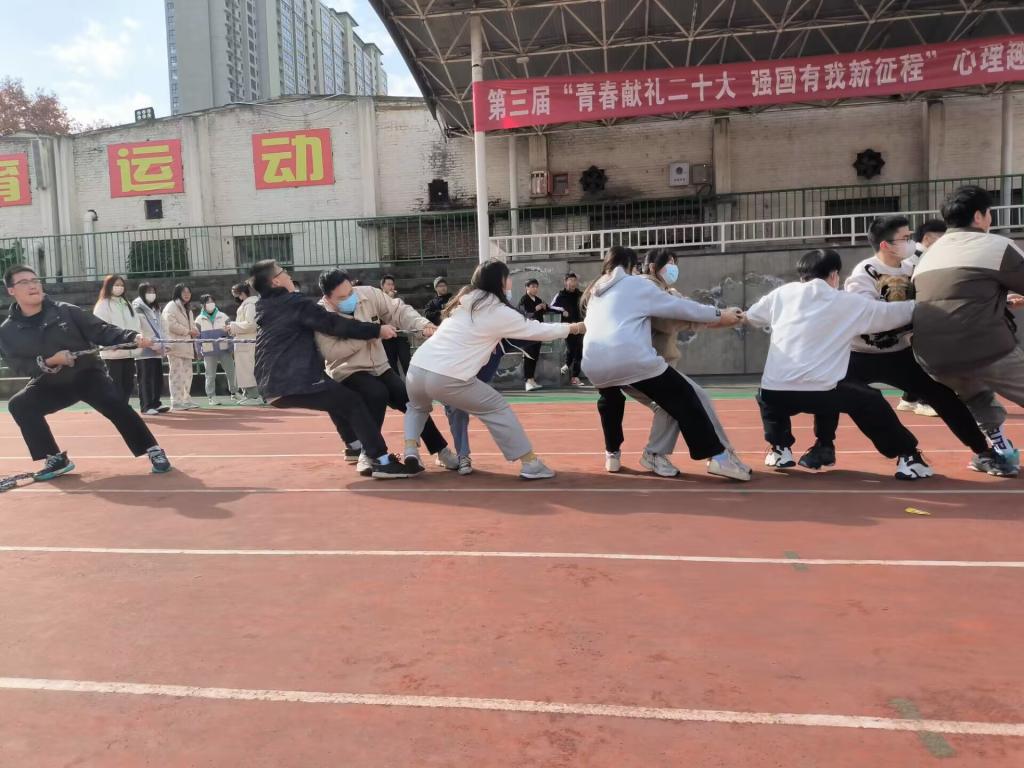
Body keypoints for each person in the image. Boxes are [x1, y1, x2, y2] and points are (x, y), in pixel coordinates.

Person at [807, 215, 1014, 477]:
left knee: (942, 395)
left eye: (909, 236)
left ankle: (983, 452)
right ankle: (824, 445)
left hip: (900, 353)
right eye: (904, 238)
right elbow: (870, 317)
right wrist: (918, 311)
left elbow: (944, 295)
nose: (910, 242)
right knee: (830, 386)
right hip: (859, 354)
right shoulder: (864, 273)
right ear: (886, 245)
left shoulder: (916, 265)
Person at [745, 249, 932, 480]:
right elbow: (891, 314)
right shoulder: (846, 302)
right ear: (834, 275)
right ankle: (909, 457)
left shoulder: (782, 294)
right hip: (823, 394)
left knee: (767, 394)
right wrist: (926, 305)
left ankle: (779, 449)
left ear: (802, 274)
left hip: (776, 395)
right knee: (870, 401)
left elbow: (752, 316)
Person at [403, 259, 584, 480]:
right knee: (497, 408)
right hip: (446, 375)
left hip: (417, 368)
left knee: (417, 408)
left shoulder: (462, 303)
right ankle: (530, 463)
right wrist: (574, 327)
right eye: (508, 277)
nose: (510, 281)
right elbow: (535, 330)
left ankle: (410, 450)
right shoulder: (496, 310)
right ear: (500, 281)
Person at [581, 246, 750, 482]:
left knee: (625, 403)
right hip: (632, 360)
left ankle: (623, 453)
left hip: (593, 365)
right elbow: (681, 310)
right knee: (687, 397)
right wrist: (720, 315)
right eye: (669, 263)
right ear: (631, 266)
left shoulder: (595, 292)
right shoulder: (638, 285)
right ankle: (719, 457)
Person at [0, 264, 172, 479]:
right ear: (11, 290)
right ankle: (54, 458)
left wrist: (133, 337)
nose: (33, 286)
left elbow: (101, 330)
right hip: (51, 383)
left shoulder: (66, 311)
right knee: (19, 404)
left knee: (117, 404)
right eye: (24, 282)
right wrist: (51, 361)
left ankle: (152, 449)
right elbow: (19, 365)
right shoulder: (7, 331)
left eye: (35, 280)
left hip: (87, 375)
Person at [249, 259, 411, 479]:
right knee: (352, 402)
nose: (288, 274)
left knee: (337, 396)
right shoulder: (294, 304)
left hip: (270, 384)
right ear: (276, 281)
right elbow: (335, 324)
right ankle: (381, 461)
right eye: (283, 271)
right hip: (293, 380)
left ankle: (354, 446)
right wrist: (376, 330)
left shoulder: (266, 307)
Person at [913, 185, 1024, 467]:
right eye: (989, 213)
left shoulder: (928, 255)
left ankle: (1002, 454)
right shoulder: (996, 245)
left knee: (976, 394)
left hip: (933, 359)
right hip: (984, 348)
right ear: (978, 216)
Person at [315, 268, 459, 476]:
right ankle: (368, 454)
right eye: (342, 297)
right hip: (346, 369)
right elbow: (330, 352)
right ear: (327, 297)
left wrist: (423, 325)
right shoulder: (320, 314)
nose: (350, 299)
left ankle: (441, 450)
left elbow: (398, 311)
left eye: (351, 292)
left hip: (380, 366)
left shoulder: (368, 294)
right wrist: (370, 334)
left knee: (411, 400)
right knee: (376, 393)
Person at [896, 218, 948, 415]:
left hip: (916, 315)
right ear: (927, 238)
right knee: (928, 359)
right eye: (942, 238)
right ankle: (925, 402)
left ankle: (909, 399)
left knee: (919, 359)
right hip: (916, 316)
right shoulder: (917, 259)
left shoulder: (917, 257)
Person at [92, 274, 140, 403]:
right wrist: (109, 344)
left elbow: (136, 324)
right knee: (115, 385)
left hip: (129, 351)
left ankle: (123, 407)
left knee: (128, 384)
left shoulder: (127, 303)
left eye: (122, 285)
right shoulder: (103, 304)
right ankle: (117, 409)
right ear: (109, 286)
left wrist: (136, 340)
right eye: (116, 285)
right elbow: (100, 327)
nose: (120, 287)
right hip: (113, 353)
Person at [132, 282, 170, 415]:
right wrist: (154, 345)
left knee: (157, 378)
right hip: (145, 349)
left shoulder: (155, 308)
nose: (152, 294)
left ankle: (156, 403)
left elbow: (162, 326)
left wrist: (165, 344)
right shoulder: (137, 307)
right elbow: (144, 328)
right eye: (149, 291)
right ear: (142, 292)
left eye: (153, 291)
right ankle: (146, 406)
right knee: (145, 378)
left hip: (157, 348)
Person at [195, 294, 237, 406]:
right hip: (208, 351)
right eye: (207, 302)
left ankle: (234, 393)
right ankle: (211, 396)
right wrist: (198, 351)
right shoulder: (198, 320)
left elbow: (231, 333)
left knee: (231, 371)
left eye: (212, 301)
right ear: (202, 305)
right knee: (210, 374)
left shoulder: (223, 316)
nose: (210, 304)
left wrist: (232, 347)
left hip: (225, 349)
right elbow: (196, 338)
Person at [162, 283, 199, 411]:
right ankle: (176, 401)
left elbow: (192, 325)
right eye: (184, 292)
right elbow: (170, 324)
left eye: (189, 292)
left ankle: (185, 399)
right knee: (176, 374)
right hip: (176, 346)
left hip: (187, 346)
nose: (187, 295)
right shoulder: (171, 306)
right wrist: (188, 331)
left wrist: (194, 330)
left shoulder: (187, 308)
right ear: (178, 293)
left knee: (188, 375)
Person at [228, 282, 261, 404]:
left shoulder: (250, 305)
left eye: (236, 294)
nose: (236, 297)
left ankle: (254, 395)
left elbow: (251, 324)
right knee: (244, 369)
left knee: (248, 368)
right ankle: (248, 394)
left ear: (242, 293)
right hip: (243, 342)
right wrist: (232, 328)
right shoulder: (247, 304)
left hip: (248, 342)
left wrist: (232, 326)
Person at [551, 272, 585, 386]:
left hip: (580, 326)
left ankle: (575, 377)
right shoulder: (560, 295)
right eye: (570, 280)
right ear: (565, 282)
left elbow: (587, 305)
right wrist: (562, 311)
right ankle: (567, 365)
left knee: (579, 351)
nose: (573, 283)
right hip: (567, 327)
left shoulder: (580, 294)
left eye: (574, 280)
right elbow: (551, 306)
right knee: (571, 349)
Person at [517, 278, 548, 391]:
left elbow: (544, 311)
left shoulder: (538, 299)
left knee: (535, 355)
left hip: (538, 331)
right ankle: (527, 380)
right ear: (527, 287)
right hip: (528, 332)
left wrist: (544, 307)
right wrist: (536, 308)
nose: (535, 289)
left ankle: (532, 379)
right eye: (532, 286)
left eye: (536, 287)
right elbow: (524, 313)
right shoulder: (523, 300)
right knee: (528, 355)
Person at [379, 274, 412, 378]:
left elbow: (403, 315)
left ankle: (411, 383)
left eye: (392, 284)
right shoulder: (378, 301)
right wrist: (388, 298)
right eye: (388, 284)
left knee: (406, 361)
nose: (391, 287)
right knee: (392, 365)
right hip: (387, 337)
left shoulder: (399, 299)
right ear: (382, 286)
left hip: (400, 334)